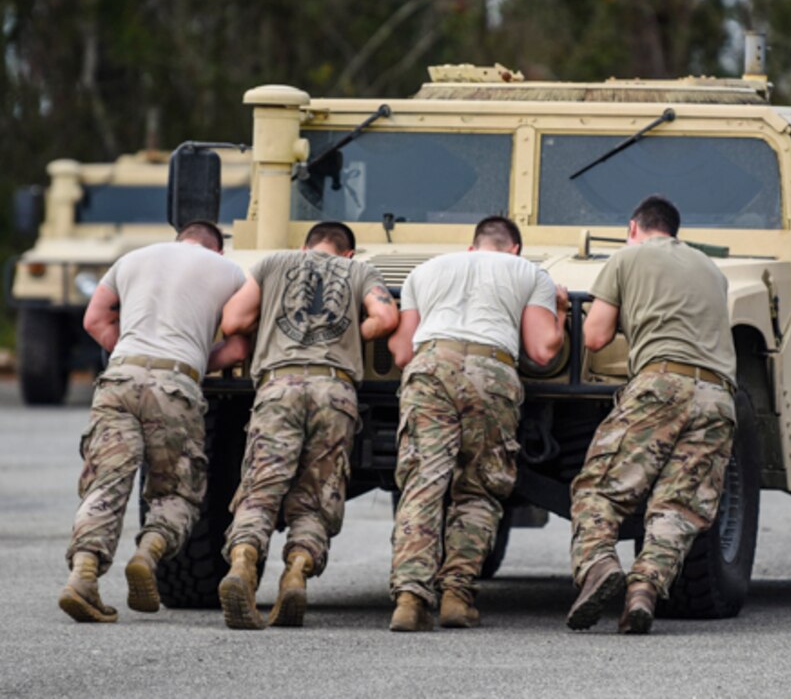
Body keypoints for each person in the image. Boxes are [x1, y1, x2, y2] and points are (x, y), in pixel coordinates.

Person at [59, 220, 249, 623]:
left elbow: (95, 321)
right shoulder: (229, 271)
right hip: (176, 385)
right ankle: (148, 553)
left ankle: (83, 575)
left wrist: (129, 354)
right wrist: (194, 363)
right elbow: (235, 344)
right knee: (176, 490)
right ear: (216, 250)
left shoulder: (130, 260)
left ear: (178, 239)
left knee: (105, 482)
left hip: (120, 377)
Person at [386, 216, 568, 632]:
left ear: (471, 247)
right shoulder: (530, 273)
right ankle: (456, 596)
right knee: (479, 486)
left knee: (423, 483)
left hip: (430, 365)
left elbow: (400, 353)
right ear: (514, 249)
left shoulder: (424, 270)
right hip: (491, 371)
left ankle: (410, 599)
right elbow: (542, 350)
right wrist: (560, 311)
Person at [567, 195, 736, 635]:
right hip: (719, 397)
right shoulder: (712, 270)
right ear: (674, 231)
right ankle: (643, 591)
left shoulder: (627, 257)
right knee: (677, 507)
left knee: (598, 488)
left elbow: (597, 336)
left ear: (633, 227)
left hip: (661, 384)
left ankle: (600, 565)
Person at [217, 221, 399, 630]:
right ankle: (298, 568)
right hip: (334, 391)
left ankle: (245, 557)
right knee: (318, 491)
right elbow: (386, 318)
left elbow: (233, 322)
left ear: (305, 246)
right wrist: (352, 333)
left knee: (262, 484)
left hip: (278, 386)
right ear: (348, 253)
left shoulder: (273, 263)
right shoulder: (360, 272)